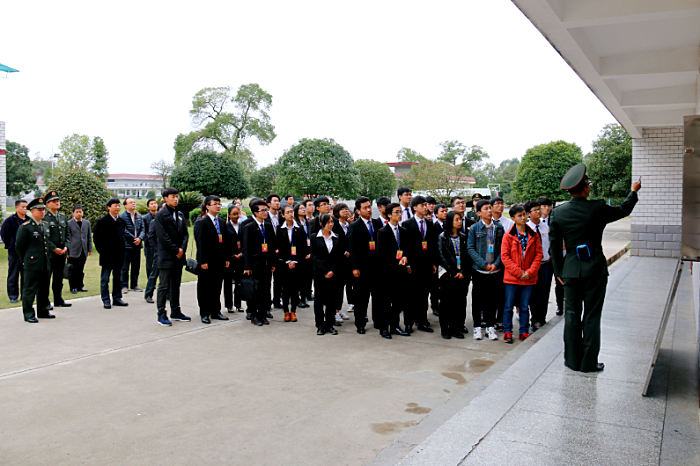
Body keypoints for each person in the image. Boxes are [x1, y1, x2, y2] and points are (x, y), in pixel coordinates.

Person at [549, 163, 641, 372]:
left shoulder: (558, 213)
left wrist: (559, 271)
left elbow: (554, 247)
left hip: (570, 270)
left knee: (571, 315)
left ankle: (572, 361)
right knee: (591, 316)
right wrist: (633, 192)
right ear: (585, 188)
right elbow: (624, 210)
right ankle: (589, 362)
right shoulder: (597, 208)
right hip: (595, 270)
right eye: (588, 184)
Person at [501, 205, 542, 343]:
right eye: (519, 215)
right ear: (513, 219)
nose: (523, 217)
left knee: (524, 306)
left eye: (524, 214)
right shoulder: (508, 236)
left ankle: (524, 331)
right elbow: (505, 257)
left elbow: (538, 255)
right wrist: (519, 272)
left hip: (529, 278)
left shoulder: (534, 235)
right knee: (508, 306)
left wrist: (530, 272)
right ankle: (507, 331)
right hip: (512, 278)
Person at [467, 199, 504, 341]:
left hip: (495, 270)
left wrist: (496, 263)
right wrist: (483, 264)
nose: (489, 211)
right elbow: (470, 248)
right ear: (479, 213)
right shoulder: (474, 228)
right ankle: (477, 327)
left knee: (492, 299)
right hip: (479, 270)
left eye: (490, 208)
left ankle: (490, 326)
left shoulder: (499, 227)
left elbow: (503, 248)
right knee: (478, 299)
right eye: (486, 209)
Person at [154, 188, 191, 326]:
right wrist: (175, 250)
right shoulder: (160, 215)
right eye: (172, 196)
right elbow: (162, 236)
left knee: (176, 285)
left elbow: (185, 234)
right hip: (166, 256)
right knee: (164, 286)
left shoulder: (179, 214)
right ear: (165, 198)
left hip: (178, 256)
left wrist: (182, 248)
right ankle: (161, 314)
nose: (176, 199)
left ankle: (175, 311)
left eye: (177, 196)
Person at [347, 196, 383, 334]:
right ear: (358, 210)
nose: (368, 210)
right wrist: (354, 267)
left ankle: (378, 321)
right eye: (365, 208)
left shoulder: (377, 223)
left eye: (369, 207)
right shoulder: (354, 226)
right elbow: (352, 248)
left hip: (376, 267)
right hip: (362, 268)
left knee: (378, 296)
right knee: (361, 298)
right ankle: (360, 323)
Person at [402, 195, 437, 333]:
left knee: (423, 295)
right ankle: (409, 322)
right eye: (422, 205)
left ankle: (422, 321)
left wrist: (433, 263)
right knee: (411, 296)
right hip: (413, 265)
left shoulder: (429, 224)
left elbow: (433, 245)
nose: (425, 207)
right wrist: (407, 265)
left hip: (426, 265)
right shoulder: (407, 224)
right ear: (415, 207)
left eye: (426, 205)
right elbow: (405, 246)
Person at [376, 202, 411, 339]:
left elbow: (407, 248)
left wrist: (406, 257)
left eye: (400, 212)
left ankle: (395, 326)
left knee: (398, 301)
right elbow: (381, 253)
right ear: (389, 215)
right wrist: (397, 261)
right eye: (397, 212)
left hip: (400, 271)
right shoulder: (382, 232)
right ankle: (384, 328)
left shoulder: (403, 231)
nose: (399, 214)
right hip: (387, 271)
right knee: (386, 301)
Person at [15, 198, 53, 322]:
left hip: (44, 262)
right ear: (32, 211)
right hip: (32, 263)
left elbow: (46, 243)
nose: (42, 212)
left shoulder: (45, 225)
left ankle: (43, 311)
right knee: (29, 289)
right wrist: (25, 260)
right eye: (39, 209)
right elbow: (19, 246)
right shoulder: (26, 227)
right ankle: (29, 314)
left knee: (44, 289)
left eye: (43, 209)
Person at [194, 195, 230, 324]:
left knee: (217, 287)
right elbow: (200, 243)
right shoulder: (202, 222)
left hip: (219, 260)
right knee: (205, 288)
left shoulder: (221, 222)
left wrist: (226, 258)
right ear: (208, 207)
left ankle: (216, 311)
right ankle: (204, 312)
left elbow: (225, 242)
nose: (218, 206)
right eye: (215, 204)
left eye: (219, 204)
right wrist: (202, 261)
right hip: (207, 261)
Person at [436, 211, 472, 339]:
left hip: (462, 274)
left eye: (460, 219)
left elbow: (467, 256)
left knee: (459, 302)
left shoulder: (463, 237)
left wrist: (463, 272)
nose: (459, 222)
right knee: (446, 303)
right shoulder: (442, 237)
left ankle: (455, 327)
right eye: (456, 219)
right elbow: (441, 256)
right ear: (450, 221)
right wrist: (453, 272)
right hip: (448, 274)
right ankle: (445, 328)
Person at [242, 199, 277, 326]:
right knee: (255, 290)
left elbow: (272, 245)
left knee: (265, 290)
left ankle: (263, 313)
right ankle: (254, 314)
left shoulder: (268, 225)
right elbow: (246, 248)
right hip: (255, 264)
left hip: (266, 263)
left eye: (266, 210)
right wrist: (247, 266)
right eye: (262, 211)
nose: (265, 212)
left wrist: (273, 262)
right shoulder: (249, 227)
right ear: (255, 213)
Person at [93, 198, 129, 309]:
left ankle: (117, 298)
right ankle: (106, 299)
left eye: (119, 205)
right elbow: (97, 239)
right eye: (115, 205)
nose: (117, 208)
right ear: (109, 207)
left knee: (118, 278)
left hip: (119, 255)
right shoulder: (102, 222)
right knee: (105, 279)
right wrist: (103, 252)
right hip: (107, 256)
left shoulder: (121, 221)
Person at [310, 213, 342, 335]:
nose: (331, 224)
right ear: (321, 224)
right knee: (319, 300)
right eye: (328, 222)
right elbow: (314, 256)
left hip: (333, 273)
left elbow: (339, 256)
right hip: (320, 273)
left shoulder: (336, 237)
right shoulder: (314, 237)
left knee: (331, 300)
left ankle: (330, 324)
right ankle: (320, 325)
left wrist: (332, 270)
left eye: (332, 222)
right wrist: (325, 271)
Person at [277, 205, 306, 322]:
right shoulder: (280, 228)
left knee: (294, 288)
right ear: (283, 215)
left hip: (297, 263)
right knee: (285, 288)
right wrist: (288, 260)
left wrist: (295, 260)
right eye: (288, 212)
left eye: (291, 212)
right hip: (284, 263)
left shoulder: (299, 227)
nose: (290, 214)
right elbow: (280, 247)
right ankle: (286, 311)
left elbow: (302, 246)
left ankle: (293, 311)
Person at [525, 199, 551, 331]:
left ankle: (541, 318)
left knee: (544, 292)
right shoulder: (526, 228)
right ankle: (534, 320)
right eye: (535, 210)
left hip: (545, 264)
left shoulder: (545, 227)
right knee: (533, 294)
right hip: (531, 266)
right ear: (528, 213)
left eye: (539, 209)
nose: (538, 212)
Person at [44, 191, 72, 308]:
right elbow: (45, 237)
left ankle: (58, 299)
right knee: (47, 278)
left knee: (59, 277)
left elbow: (68, 234)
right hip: (50, 254)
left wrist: (66, 246)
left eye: (58, 201)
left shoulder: (62, 217)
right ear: (47, 204)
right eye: (53, 201)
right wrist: (54, 249)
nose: (57, 203)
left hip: (61, 253)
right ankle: (45, 302)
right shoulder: (45, 218)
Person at [538, 196, 563, 316]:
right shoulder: (536, 223)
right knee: (544, 287)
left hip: (556, 257)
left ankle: (560, 306)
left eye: (548, 206)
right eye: (544, 206)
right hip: (544, 260)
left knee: (560, 282)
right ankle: (541, 315)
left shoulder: (555, 220)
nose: (546, 208)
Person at [1, 199, 28, 303]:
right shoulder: (10, 220)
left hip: (26, 253)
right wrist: (11, 245)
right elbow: (4, 234)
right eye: (22, 207)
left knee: (26, 275)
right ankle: (13, 295)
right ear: (16, 207)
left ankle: (25, 295)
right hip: (14, 253)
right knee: (13, 274)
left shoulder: (29, 220)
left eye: (26, 207)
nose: (25, 209)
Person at [119, 198, 145, 293]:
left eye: (134, 202)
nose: (133, 204)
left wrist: (140, 238)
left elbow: (143, 228)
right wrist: (134, 239)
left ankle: (134, 285)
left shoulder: (139, 216)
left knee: (136, 266)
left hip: (137, 245)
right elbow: (124, 230)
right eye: (131, 202)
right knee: (125, 267)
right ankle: (124, 285)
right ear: (125, 206)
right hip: (126, 245)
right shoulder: (121, 216)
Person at [332, 202, 352, 324]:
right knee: (337, 287)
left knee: (343, 287)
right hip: (339, 260)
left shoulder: (349, 225)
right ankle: (334, 311)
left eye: (347, 209)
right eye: (342, 209)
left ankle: (338, 309)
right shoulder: (334, 225)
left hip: (348, 262)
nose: (346, 211)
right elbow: (335, 242)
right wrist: (344, 252)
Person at [67, 205, 92, 294]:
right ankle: (73, 287)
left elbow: (89, 236)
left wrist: (89, 248)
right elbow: (67, 237)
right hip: (73, 250)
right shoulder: (69, 223)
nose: (79, 214)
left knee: (80, 269)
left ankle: (80, 285)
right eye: (77, 212)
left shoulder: (86, 223)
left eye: (80, 212)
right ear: (73, 213)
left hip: (83, 250)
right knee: (72, 269)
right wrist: (67, 251)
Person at [224, 204, 245, 314]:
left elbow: (245, 241)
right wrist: (232, 255)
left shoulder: (242, 226)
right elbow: (225, 243)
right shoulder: (225, 227)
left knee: (239, 281)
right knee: (228, 282)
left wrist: (241, 253)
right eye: (234, 214)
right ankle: (229, 305)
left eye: (238, 214)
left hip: (240, 257)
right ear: (229, 215)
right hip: (230, 258)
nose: (236, 216)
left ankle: (238, 304)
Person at [144, 201, 165, 303]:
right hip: (159, 251)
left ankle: (168, 294)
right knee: (154, 273)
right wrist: (156, 249)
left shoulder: (172, 221)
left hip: (169, 252)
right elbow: (150, 237)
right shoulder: (154, 221)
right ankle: (149, 294)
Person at [294, 203, 313, 308]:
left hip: (309, 252)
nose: (303, 209)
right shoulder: (295, 223)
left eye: (304, 208)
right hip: (300, 253)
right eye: (301, 208)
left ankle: (305, 297)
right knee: (299, 278)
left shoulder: (308, 222)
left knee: (307, 277)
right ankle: (297, 299)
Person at [142, 199, 158, 298]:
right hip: (149, 245)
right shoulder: (145, 218)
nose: (154, 205)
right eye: (151, 204)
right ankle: (150, 285)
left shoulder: (160, 217)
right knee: (150, 266)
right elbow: (144, 231)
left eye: (155, 203)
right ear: (148, 207)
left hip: (159, 246)